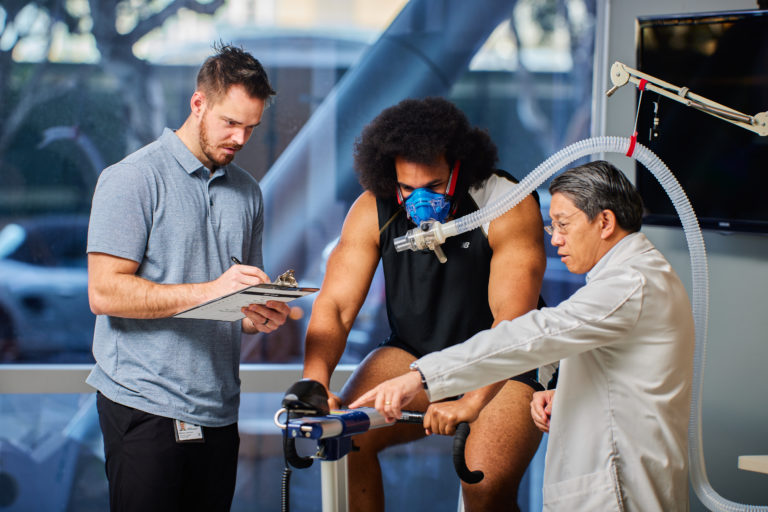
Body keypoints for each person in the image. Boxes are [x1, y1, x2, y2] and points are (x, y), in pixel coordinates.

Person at [351, 160, 696, 511]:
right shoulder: (630, 279)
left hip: (619, 493)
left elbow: (533, 335)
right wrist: (565, 395)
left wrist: (422, 378)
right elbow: (624, 376)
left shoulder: (629, 285)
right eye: (552, 227)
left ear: (605, 222)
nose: (555, 239)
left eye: (563, 225)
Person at [302, 97, 548, 511]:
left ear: (459, 168)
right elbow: (337, 308)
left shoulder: (506, 202)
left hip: (505, 356)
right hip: (417, 350)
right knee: (346, 439)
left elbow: (512, 318)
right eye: (407, 187)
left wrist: (471, 400)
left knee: (483, 483)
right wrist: (314, 381)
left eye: (433, 186)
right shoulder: (373, 208)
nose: (419, 199)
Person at [86, 43, 290, 512]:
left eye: (251, 128)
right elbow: (103, 292)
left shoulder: (248, 192)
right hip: (144, 406)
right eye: (230, 123)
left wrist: (257, 312)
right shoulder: (132, 178)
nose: (240, 139)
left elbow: (230, 304)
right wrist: (213, 290)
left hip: (219, 410)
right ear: (198, 103)